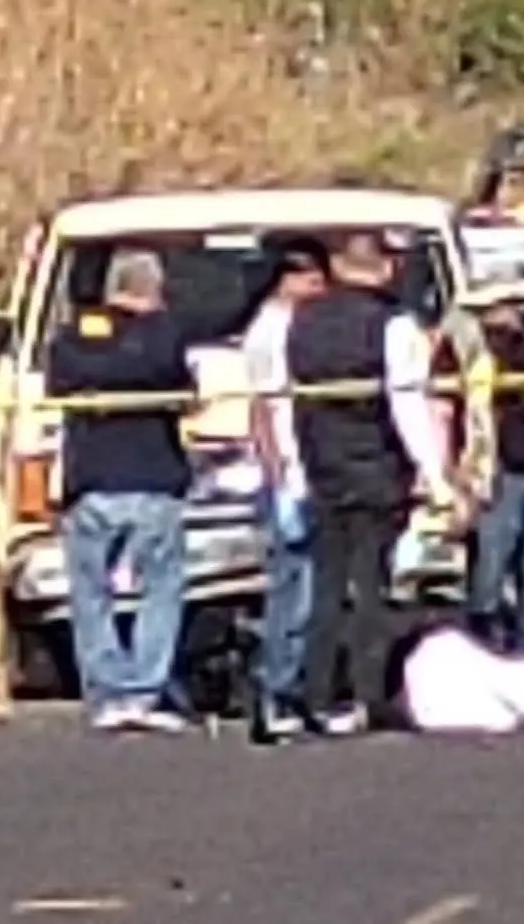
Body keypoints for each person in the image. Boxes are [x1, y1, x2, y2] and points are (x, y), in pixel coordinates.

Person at [285, 231, 454, 738]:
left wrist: (297, 470)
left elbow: (288, 398)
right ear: (382, 268)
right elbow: (407, 404)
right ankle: (367, 694)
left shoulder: (302, 319)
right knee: (372, 591)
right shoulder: (393, 324)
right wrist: (435, 473)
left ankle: (316, 693)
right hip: (375, 467)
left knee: (327, 588)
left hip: (322, 468)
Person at [45, 250, 197, 733]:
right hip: (153, 481)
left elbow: (62, 377)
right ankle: (143, 691)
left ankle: (108, 693)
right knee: (160, 591)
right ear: (154, 289)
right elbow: (174, 379)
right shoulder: (166, 336)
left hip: (90, 485)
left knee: (91, 596)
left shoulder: (72, 338)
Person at [243, 237, 331, 743]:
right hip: (289, 475)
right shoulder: (269, 331)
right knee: (290, 591)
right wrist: (277, 475)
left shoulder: (300, 326)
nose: (319, 291)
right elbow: (263, 410)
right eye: (312, 280)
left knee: (310, 587)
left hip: (309, 470)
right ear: (290, 279)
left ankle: (297, 689)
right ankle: (275, 690)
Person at [455, 269, 524, 655]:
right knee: (496, 556)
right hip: (501, 466)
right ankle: (487, 629)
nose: (520, 311)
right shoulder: (479, 354)